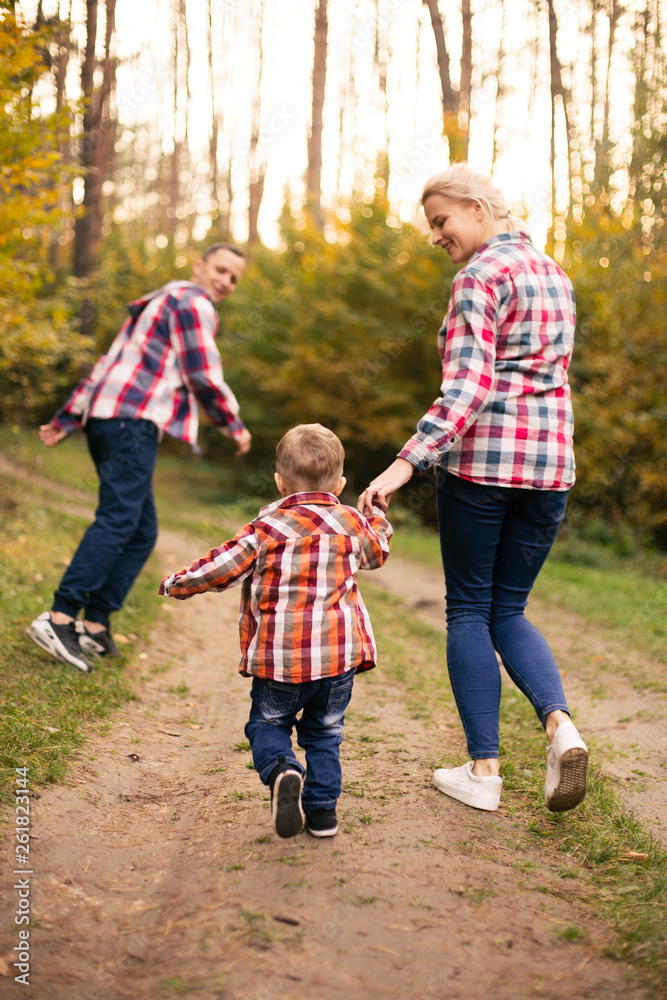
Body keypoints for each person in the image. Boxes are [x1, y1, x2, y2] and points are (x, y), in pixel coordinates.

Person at [358, 164, 588, 815]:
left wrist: (404, 464)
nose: (436, 235)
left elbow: (467, 387)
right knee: (507, 610)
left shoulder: (477, 277)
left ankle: (483, 773)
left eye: (440, 220)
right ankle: (559, 730)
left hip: (482, 468)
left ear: (476, 205)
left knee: (468, 610)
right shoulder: (552, 273)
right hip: (548, 469)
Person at [28, 243, 252, 674]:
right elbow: (203, 373)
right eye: (220, 270)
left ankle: (94, 623)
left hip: (107, 418)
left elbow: (107, 362)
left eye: (234, 277)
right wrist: (233, 425)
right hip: (133, 421)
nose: (225, 281)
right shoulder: (193, 301)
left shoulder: (158, 300)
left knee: (140, 529)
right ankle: (60, 616)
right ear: (199, 266)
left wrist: (70, 415)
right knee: (118, 519)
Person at [160, 424, 392, 839]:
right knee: (325, 734)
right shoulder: (353, 523)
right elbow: (378, 553)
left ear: (279, 482)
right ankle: (322, 814)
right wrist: (375, 515)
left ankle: (283, 769)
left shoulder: (265, 529)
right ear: (340, 483)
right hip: (337, 660)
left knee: (267, 725)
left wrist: (176, 582)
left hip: (278, 659)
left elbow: (220, 568)